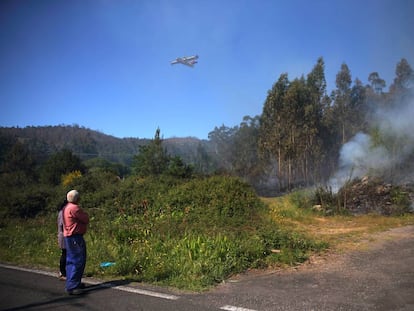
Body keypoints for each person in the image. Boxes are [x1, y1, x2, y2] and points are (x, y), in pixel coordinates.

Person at [63, 190, 89, 295]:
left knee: (70, 260)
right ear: (77, 198)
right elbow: (85, 219)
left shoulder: (66, 207)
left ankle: (73, 282)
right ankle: (73, 286)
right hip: (75, 237)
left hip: (69, 237)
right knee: (78, 260)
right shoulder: (74, 208)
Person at [57, 199, 68, 280]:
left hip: (64, 235)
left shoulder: (62, 212)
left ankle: (64, 271)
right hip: (64, 236)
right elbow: (61, 225)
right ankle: (62, 272)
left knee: (66, 254)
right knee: (65, 254)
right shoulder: (62, 213)